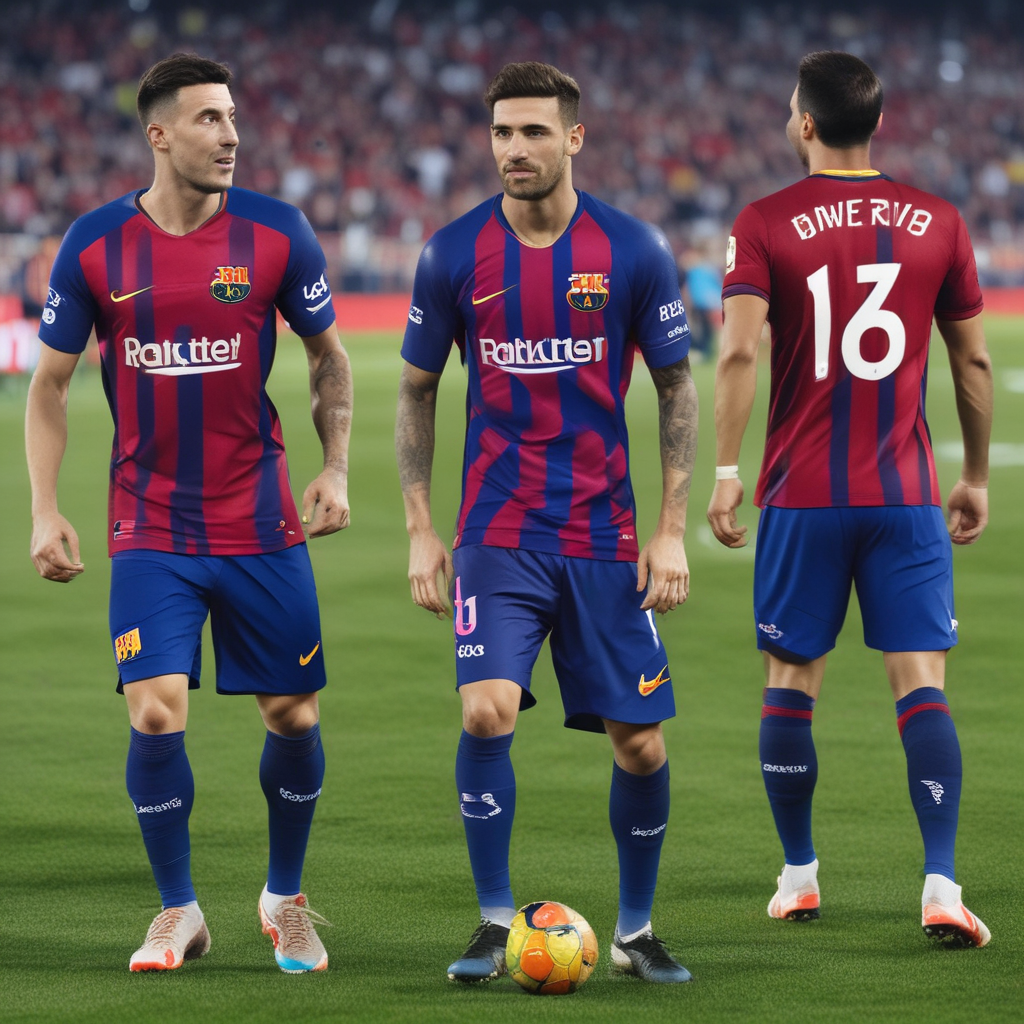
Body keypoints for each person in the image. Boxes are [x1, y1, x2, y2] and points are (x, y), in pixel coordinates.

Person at [25, 53, 352, 973]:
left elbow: (329, 357)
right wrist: (44, 509)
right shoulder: (95, 244)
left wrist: (334, 466)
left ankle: (284, 899)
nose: (231, 135)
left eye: (234, 117)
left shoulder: (278, 232)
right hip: (151, 524)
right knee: (155, 712)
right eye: (210, 118)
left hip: (259, 518)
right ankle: (178, 910)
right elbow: (47, 386)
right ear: (159, 133)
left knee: (293, 715)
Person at [396, 61, 698, 984]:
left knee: (640, 742)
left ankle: (636, 931)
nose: (514, 149)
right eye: (501, 132)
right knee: (486, 709)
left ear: (573, 137)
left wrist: (671, 528)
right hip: (498, 531)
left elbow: (677, 387)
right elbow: (416, 392)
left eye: (533, 131)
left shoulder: (634, 249)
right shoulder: (452, 254)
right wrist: (419, 526)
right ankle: (495, 922)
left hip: (605, 537)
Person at [707, 51, 993, 947]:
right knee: (922, 686)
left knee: (790, 683)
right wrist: (976, 476)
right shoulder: (939, 220)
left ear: (805, 122)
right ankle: (941, 884)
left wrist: (726, 470)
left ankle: (799, 878)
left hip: (802, 497)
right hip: (905, 495)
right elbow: (974, 361)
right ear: (874, 122)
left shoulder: (764, 221)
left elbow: (739, 352)